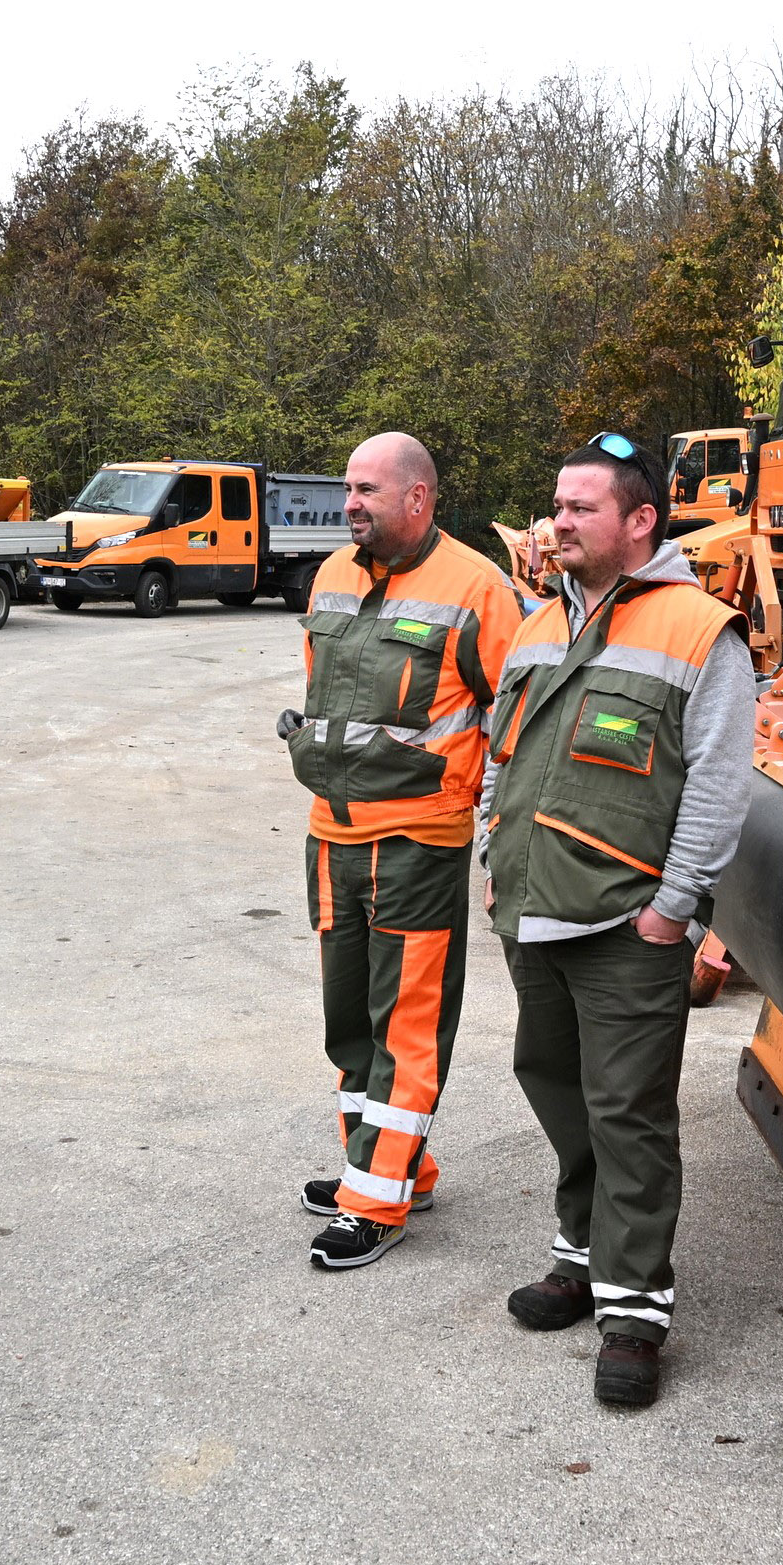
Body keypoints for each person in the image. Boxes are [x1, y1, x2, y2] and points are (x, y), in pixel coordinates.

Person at [477, 433, 751, 1407]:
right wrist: (489, 846)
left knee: (630, 1113)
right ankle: (581, 1257)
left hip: (628, 925)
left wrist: (674, 911)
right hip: (532, 908)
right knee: (554, 1083)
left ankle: (633, 1311)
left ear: (640, 521)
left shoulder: (700, 630)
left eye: (580, 507)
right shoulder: (535, 622)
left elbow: (720, 787)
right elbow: (503, 748)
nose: (557, 522)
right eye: (555, 505)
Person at [280, 431, 523, 1269]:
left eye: (367, 490)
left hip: (419, 841)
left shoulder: (478, 588)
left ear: (417, 498)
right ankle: (385, 1166)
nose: (349, 503)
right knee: (347, 1019)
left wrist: (494, 841)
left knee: (406, 1026)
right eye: (349, 488)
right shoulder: (333, 576)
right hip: (330, 834)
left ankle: (374, 1203)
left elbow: (513, 725)